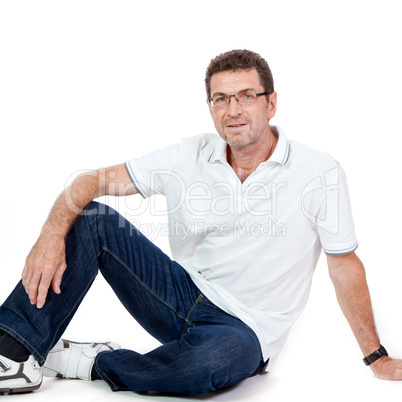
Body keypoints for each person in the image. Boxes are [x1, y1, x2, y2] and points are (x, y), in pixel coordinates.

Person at [0, 49, 401, 396]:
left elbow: (344, 265)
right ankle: (12, 350)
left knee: (206, 366)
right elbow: (89, 181)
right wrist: (50, 235)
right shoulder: (188, 155)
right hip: (179, 294)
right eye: (221, 98)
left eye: (247, 96)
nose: (233, 110)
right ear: (209, 106)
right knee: (92, 219)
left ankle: (93, 363)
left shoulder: (319, 172)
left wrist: (375, 356)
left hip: (245, 330)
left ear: (271, 103)